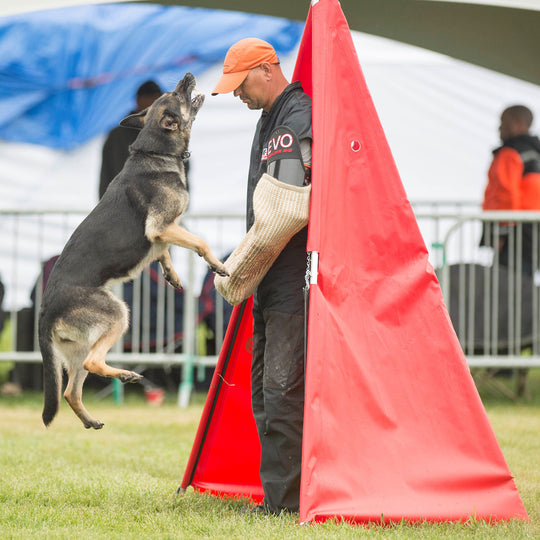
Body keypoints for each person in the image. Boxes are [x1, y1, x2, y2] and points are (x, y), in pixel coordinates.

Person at [212, 38, 312, 514]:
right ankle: (277, 499)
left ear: (268, 70)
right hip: (271, 279)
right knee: (261, 390)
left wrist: (238, 267)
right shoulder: (269, 120)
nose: (236, 95)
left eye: (240, 84)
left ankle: (286, 506)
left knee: (280, 391)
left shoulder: (295, 116)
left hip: (290, 277)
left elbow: (288, 210)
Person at [482, 105, 540, 275]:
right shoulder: (535, 151)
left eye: (503, 122)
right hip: (533, 230)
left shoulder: (510, 152)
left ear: (517, 122)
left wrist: (500, 234)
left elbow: (505, 194)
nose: (499, 127)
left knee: (507, 286)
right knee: (525, 285)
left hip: (514, 235)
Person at [99, 80, 163, 198]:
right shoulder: (117, 136)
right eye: (150, 101)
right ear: (138, 101)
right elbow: (106, 177)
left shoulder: (170, 135)